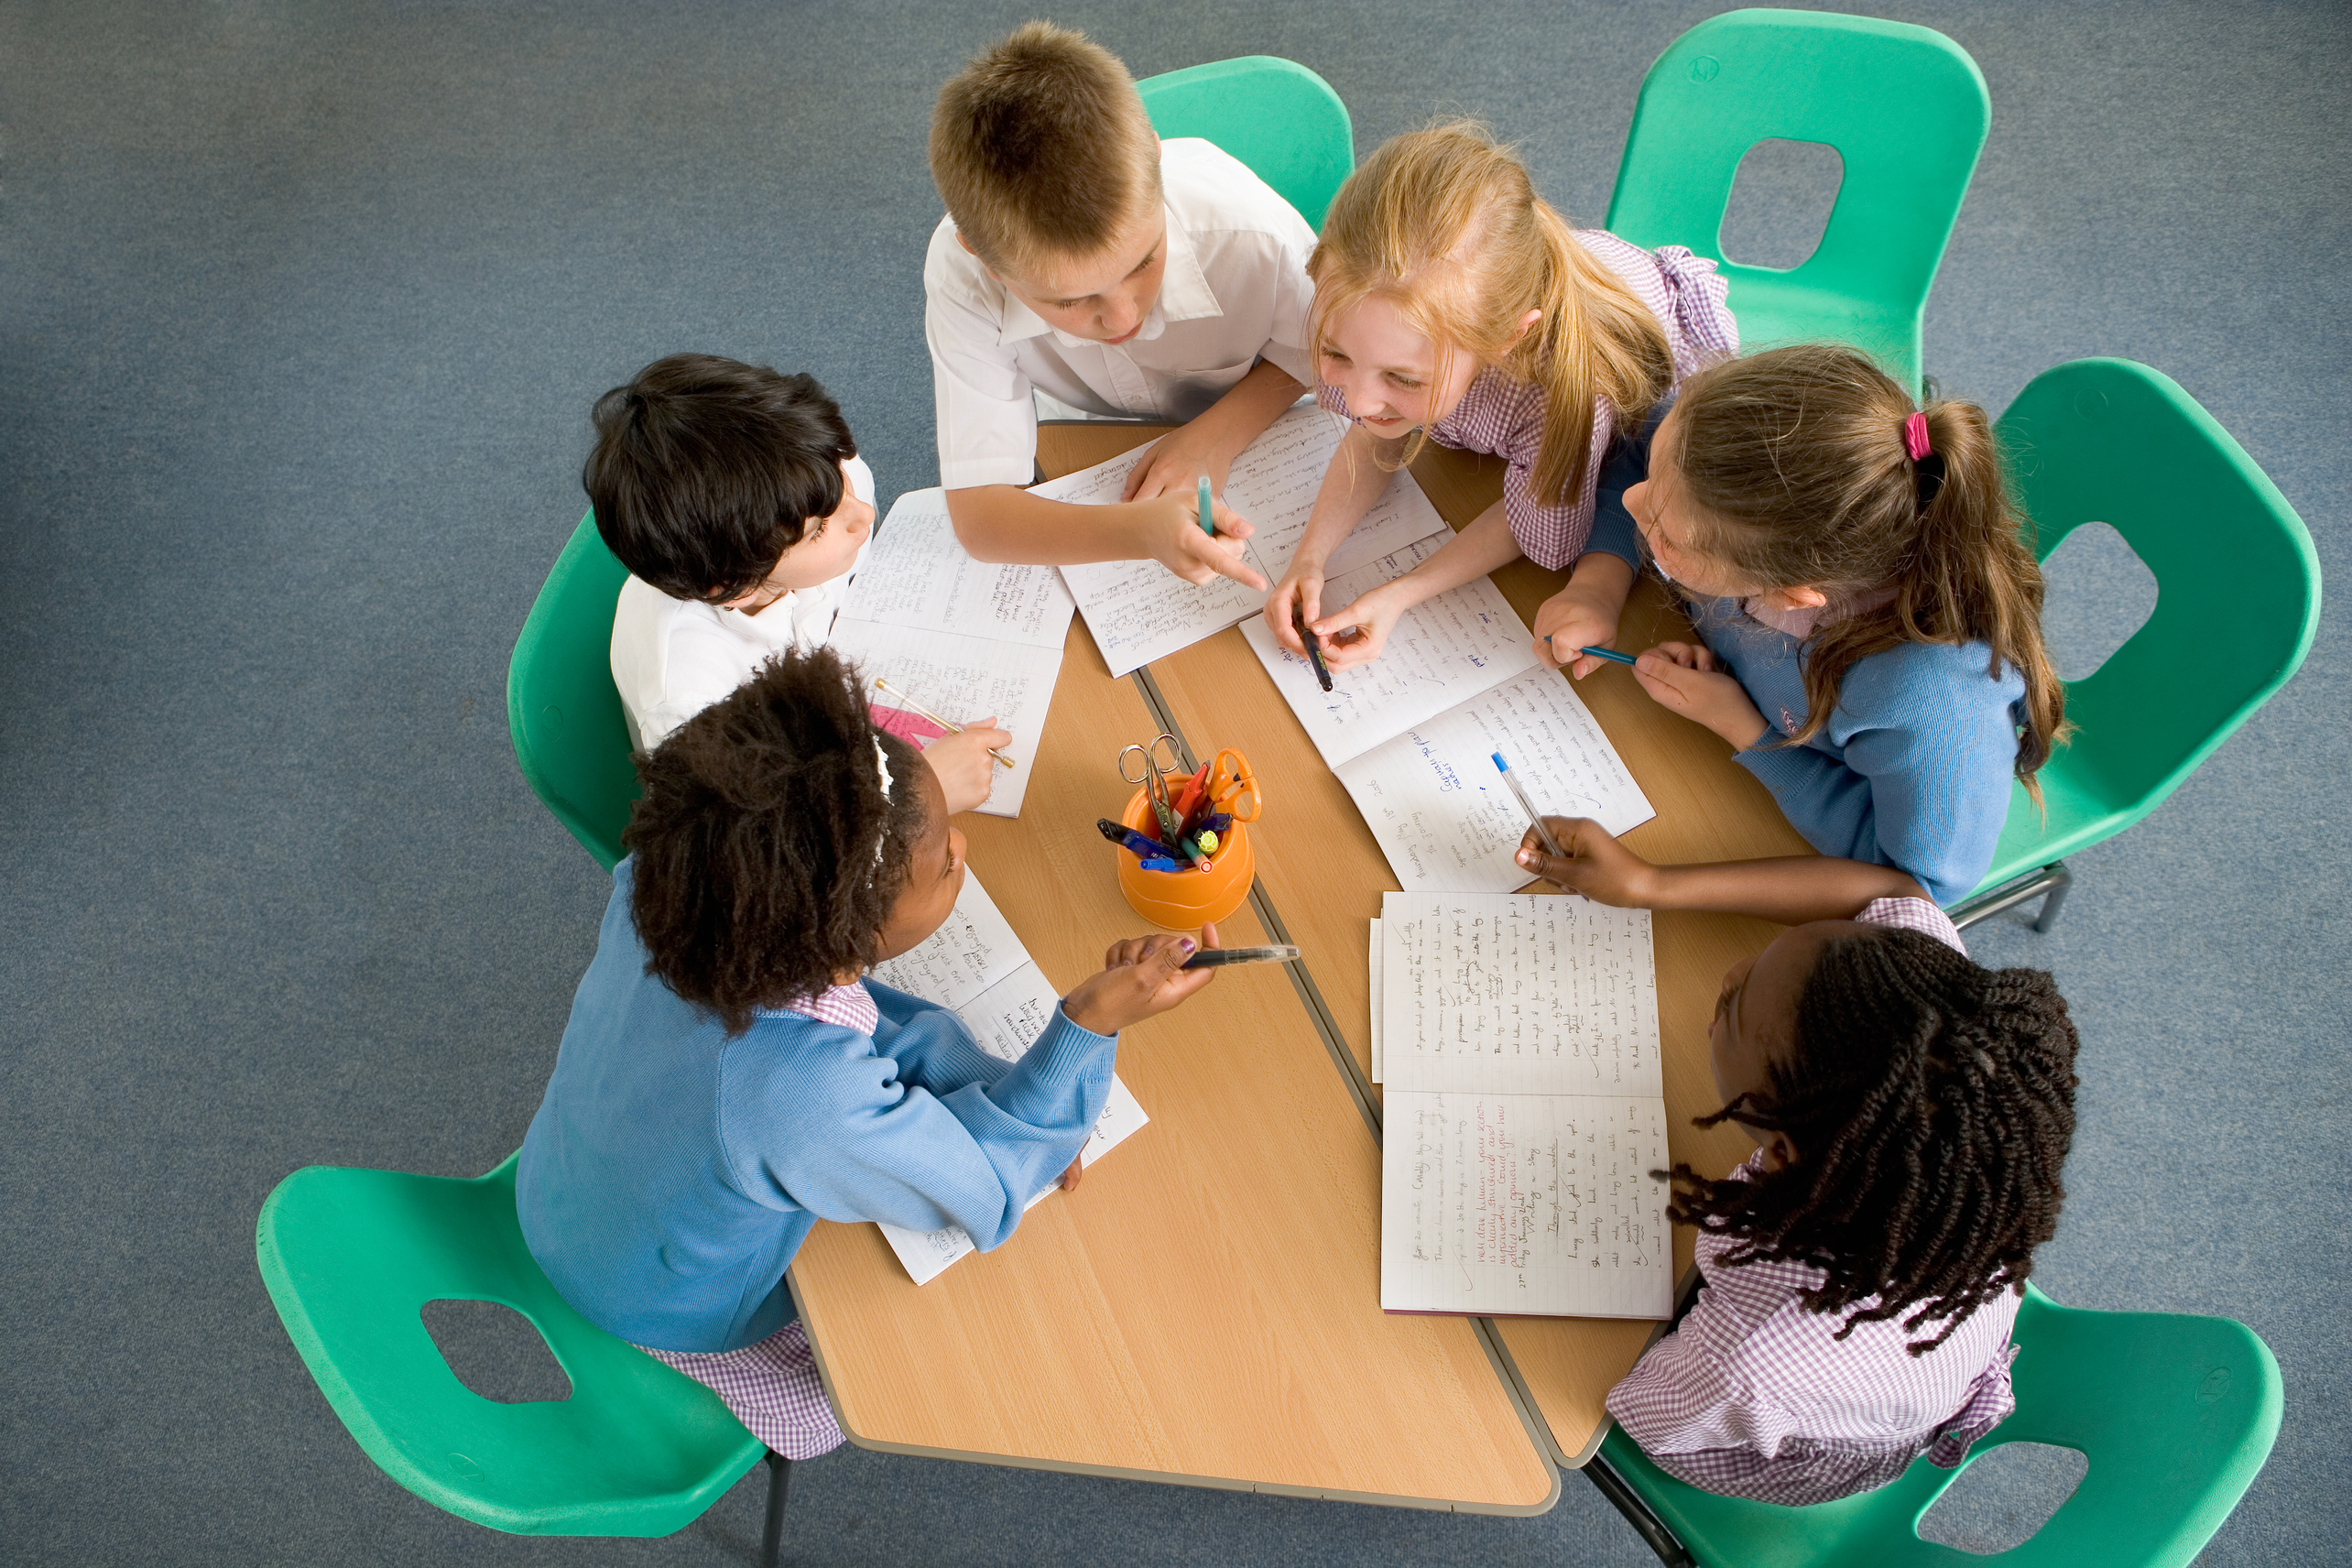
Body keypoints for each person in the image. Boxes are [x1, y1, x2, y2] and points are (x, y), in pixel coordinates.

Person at [515, 647, 1217, 1458]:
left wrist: (993, 1089)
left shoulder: (675, 885)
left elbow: (863, 1020)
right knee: (874, 1381)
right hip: (657, 1299)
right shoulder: (800, 1095)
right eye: (945, 859)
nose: (963, 854)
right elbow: (986, 1190)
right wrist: (1086, 1027)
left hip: (565, 1193)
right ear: (852, 932)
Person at [1515, 820, 2079, 1505]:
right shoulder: (1929, 1024)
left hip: (1786, 1424)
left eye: (1733, 1001)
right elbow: (1894, 891)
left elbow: (1656, 1418)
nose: (1728, 973)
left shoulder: (1755, 1354)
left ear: (1781, 1151)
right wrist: (1651, 885)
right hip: (1904, 1329)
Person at [1264, 121, 1737, 674]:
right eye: (1338, 354)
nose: (1363, 402)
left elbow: (1526, 516)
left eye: (1404, 380)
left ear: (1507, 338)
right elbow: (1373, 438)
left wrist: (1401, 593)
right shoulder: (1376, 314)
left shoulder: (1565, 396)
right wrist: (1310, 557)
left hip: (1648, 400)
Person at [1607, 343, 2067, 905]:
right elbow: (1642, 440)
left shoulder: (1927, 700)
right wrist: (1596, 583)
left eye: (1665, 532)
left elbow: (1915, 886)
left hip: (1781, 821)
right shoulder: (1715, 463)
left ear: (1793, 595)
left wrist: (1746, 730)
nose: (1634, 501)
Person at [924, 21, 1318, 591]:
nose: (1124, 318)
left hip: (1266, 429)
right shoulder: (962, 276)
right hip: (1086, 431)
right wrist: (1135, 534)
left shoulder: (1253, 236)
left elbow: (1319, 352)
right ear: (983, 260)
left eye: (1142, 264)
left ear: (1158, 165)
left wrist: (1217, 434)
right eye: (1070, 300)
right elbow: (981, 518)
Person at [587, 352, 1011, 812]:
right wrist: (922, 796)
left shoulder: (810, 487)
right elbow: (764, 849)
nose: (861, 514)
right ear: (739, 585)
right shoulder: (695, 706)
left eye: (838, 469)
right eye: (819, 530)